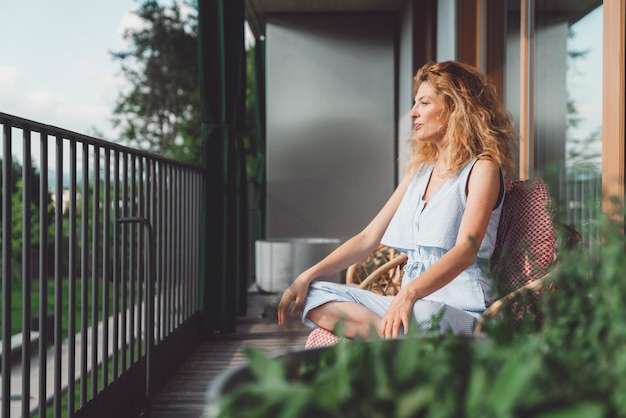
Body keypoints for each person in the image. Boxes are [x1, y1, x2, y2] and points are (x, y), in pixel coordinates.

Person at [277, 60, 516, 339]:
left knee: (423, 315)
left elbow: (466, 250)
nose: (413, 113)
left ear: (455, 108)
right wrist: (306, 276)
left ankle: (390, 337)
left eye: (424, 103)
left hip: (460, 309)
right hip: (407, 304)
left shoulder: (482, 168)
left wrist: (409, 293)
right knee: (312, 295)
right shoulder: (421, 172)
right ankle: (393, 338)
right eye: (416, 104)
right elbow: (368, 238)